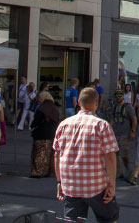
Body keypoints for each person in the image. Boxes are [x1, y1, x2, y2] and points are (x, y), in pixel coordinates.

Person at [53, 87, 119, 222]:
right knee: (109, 216)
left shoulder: (64, 124)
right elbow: (110, 157)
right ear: (97, 102)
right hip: (96, 186)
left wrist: (59, 181)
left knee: (73, 220)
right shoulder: (102, 126)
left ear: (78, 102)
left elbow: (57, 155)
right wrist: (111, 185)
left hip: (71, 186)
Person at [101, 90, 136, 180]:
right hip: (116, 133)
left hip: (125, 133)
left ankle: (128, 169)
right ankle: (119, 171)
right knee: (116, 153)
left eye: (120, 96)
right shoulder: (115, 107)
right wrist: (107, 129)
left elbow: (134, 119)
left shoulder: (128, 107)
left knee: (124, 154)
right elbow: (112, 120)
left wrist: (133, 131)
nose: (118, 98)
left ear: (123, 97)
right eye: (116, 96)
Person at [30, 91, 60, 178]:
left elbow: (36, 121)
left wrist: (32, 126)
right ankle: (48, 171)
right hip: (52, 133)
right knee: (49, 153)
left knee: (39, 152)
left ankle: (38, 171)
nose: (38, 99)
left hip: (41, 133)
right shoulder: (54, 109)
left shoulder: (41, 109)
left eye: (39, 98)